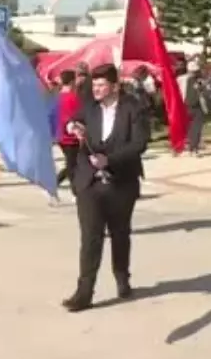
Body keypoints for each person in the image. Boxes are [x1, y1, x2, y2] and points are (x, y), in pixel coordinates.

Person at [62, 64, 149, 312]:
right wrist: (73, 127)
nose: (97, 90)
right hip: (89, 182)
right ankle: (84, 292)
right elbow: (75, 120)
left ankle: (122, 276)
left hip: (121, 182)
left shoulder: (133, 108)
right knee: (90, 237)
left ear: (115, 86)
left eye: (102, 85)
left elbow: (139, 143)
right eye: (95, 85)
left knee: (120, 234)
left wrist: (109, 160)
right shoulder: (90, 107)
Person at [55, 70, 82, 189]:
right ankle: (75, 190)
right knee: (72, 164)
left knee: (72, 163)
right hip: (71, 137)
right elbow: (79, 116)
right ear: (73, 81)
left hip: (60, 136)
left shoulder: (56, 98)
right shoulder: (74, 98)